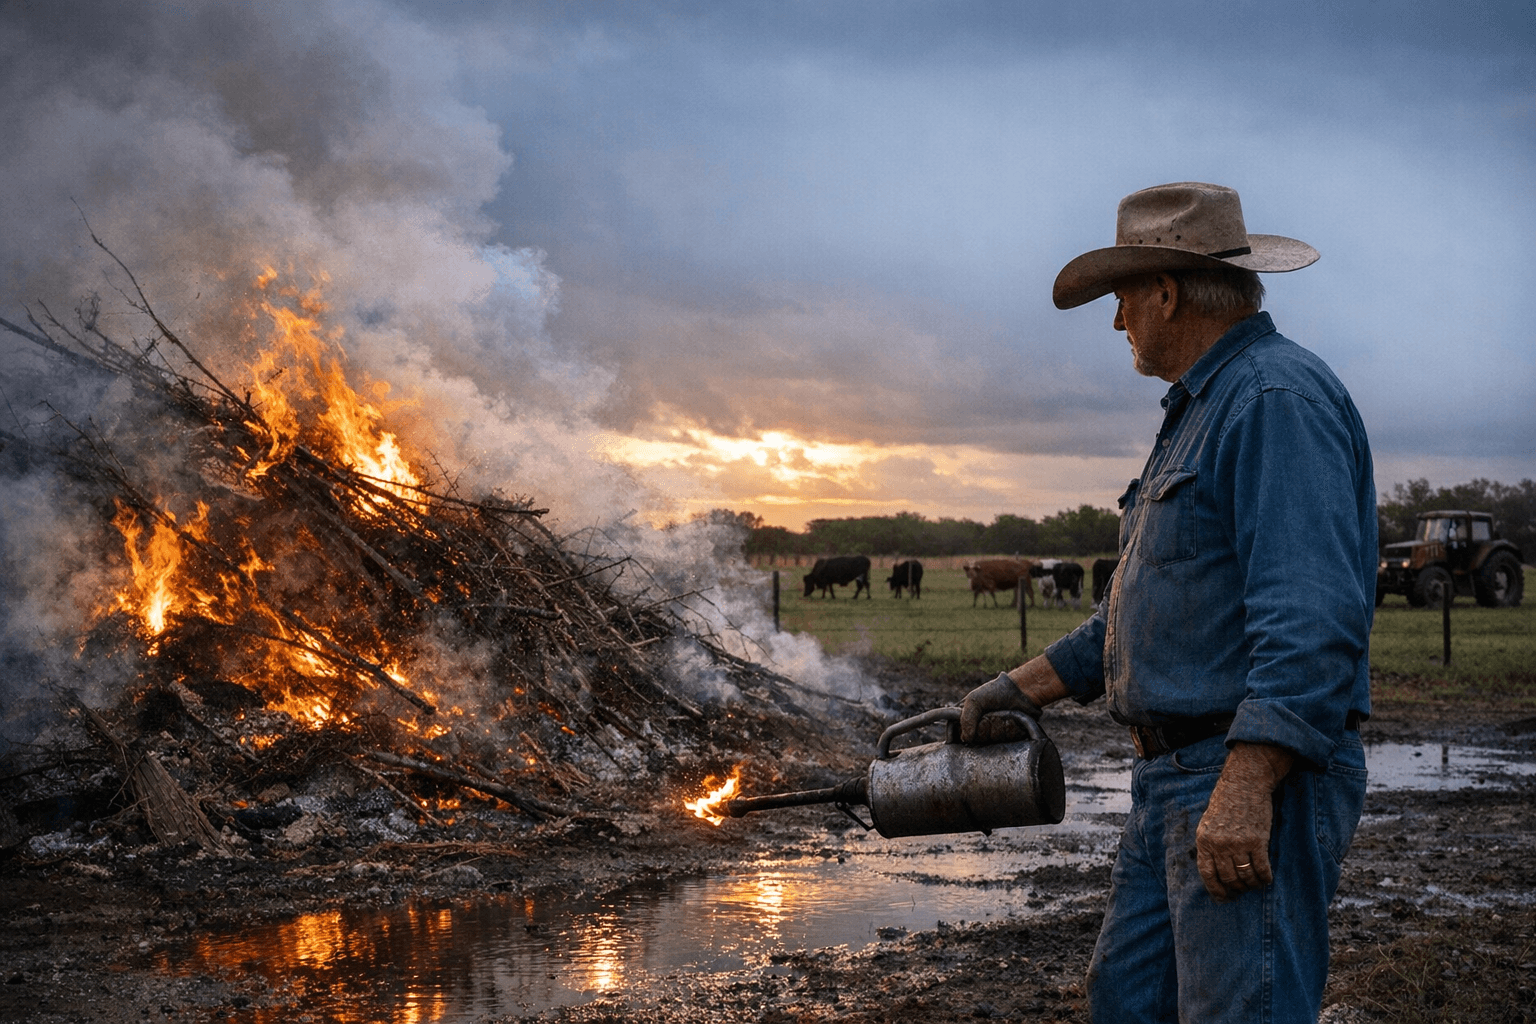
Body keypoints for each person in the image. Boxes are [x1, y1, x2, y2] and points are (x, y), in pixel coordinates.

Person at [960, 182, 1376, 1023]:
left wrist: (1248, 782)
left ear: (1165, 291)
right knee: (1126, 1004)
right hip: (1169, 781)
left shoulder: (1272, 400)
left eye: (1121, 300)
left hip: (1238, 775)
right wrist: (1017, 689)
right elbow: (1143, 609)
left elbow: (1312, 616)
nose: (1118, 324)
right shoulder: (1201, 408)